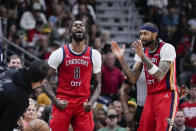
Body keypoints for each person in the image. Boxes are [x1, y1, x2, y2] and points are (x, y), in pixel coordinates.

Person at [111, 22, 179, 131]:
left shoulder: (167, 48)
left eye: (145, 34)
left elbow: (159, 75)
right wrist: (121, 59)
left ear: (154, 35)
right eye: (141, 34)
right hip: (150, 96)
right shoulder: (142, 50)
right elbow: (133, 78)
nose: (142, 37)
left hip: (166, 95)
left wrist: (143, 57)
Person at [44, 20, 102, 131]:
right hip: (63, 102)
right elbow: (45, 80)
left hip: (83, 104)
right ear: (70, 33)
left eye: (82, 25)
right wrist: (56, 101)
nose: (79, 26)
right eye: (75, 25)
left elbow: (99, 84)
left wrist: (91, 102)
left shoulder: (94, 55)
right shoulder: (59, 53)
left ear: (85, 32)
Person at [0, 60, 50, 131]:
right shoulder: (21, 98)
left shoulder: (8, 70)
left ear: (28, 68)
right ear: (42, 81)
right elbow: (4, 128)